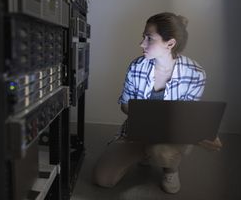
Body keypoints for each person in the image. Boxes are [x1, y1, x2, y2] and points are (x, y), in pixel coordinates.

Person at [92, 12, 222, 194]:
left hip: (171, 137)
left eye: (149, 38)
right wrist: (145, 118)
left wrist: (202, 135)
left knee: (163, 151)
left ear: (170, 44)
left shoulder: (195, 73)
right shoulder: (136, 66)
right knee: (103, 179)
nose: (141, 44)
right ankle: (145, 152)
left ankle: (170, 169)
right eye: (142, 37)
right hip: (137, 132)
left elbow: (187, 115)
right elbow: (125, 104)